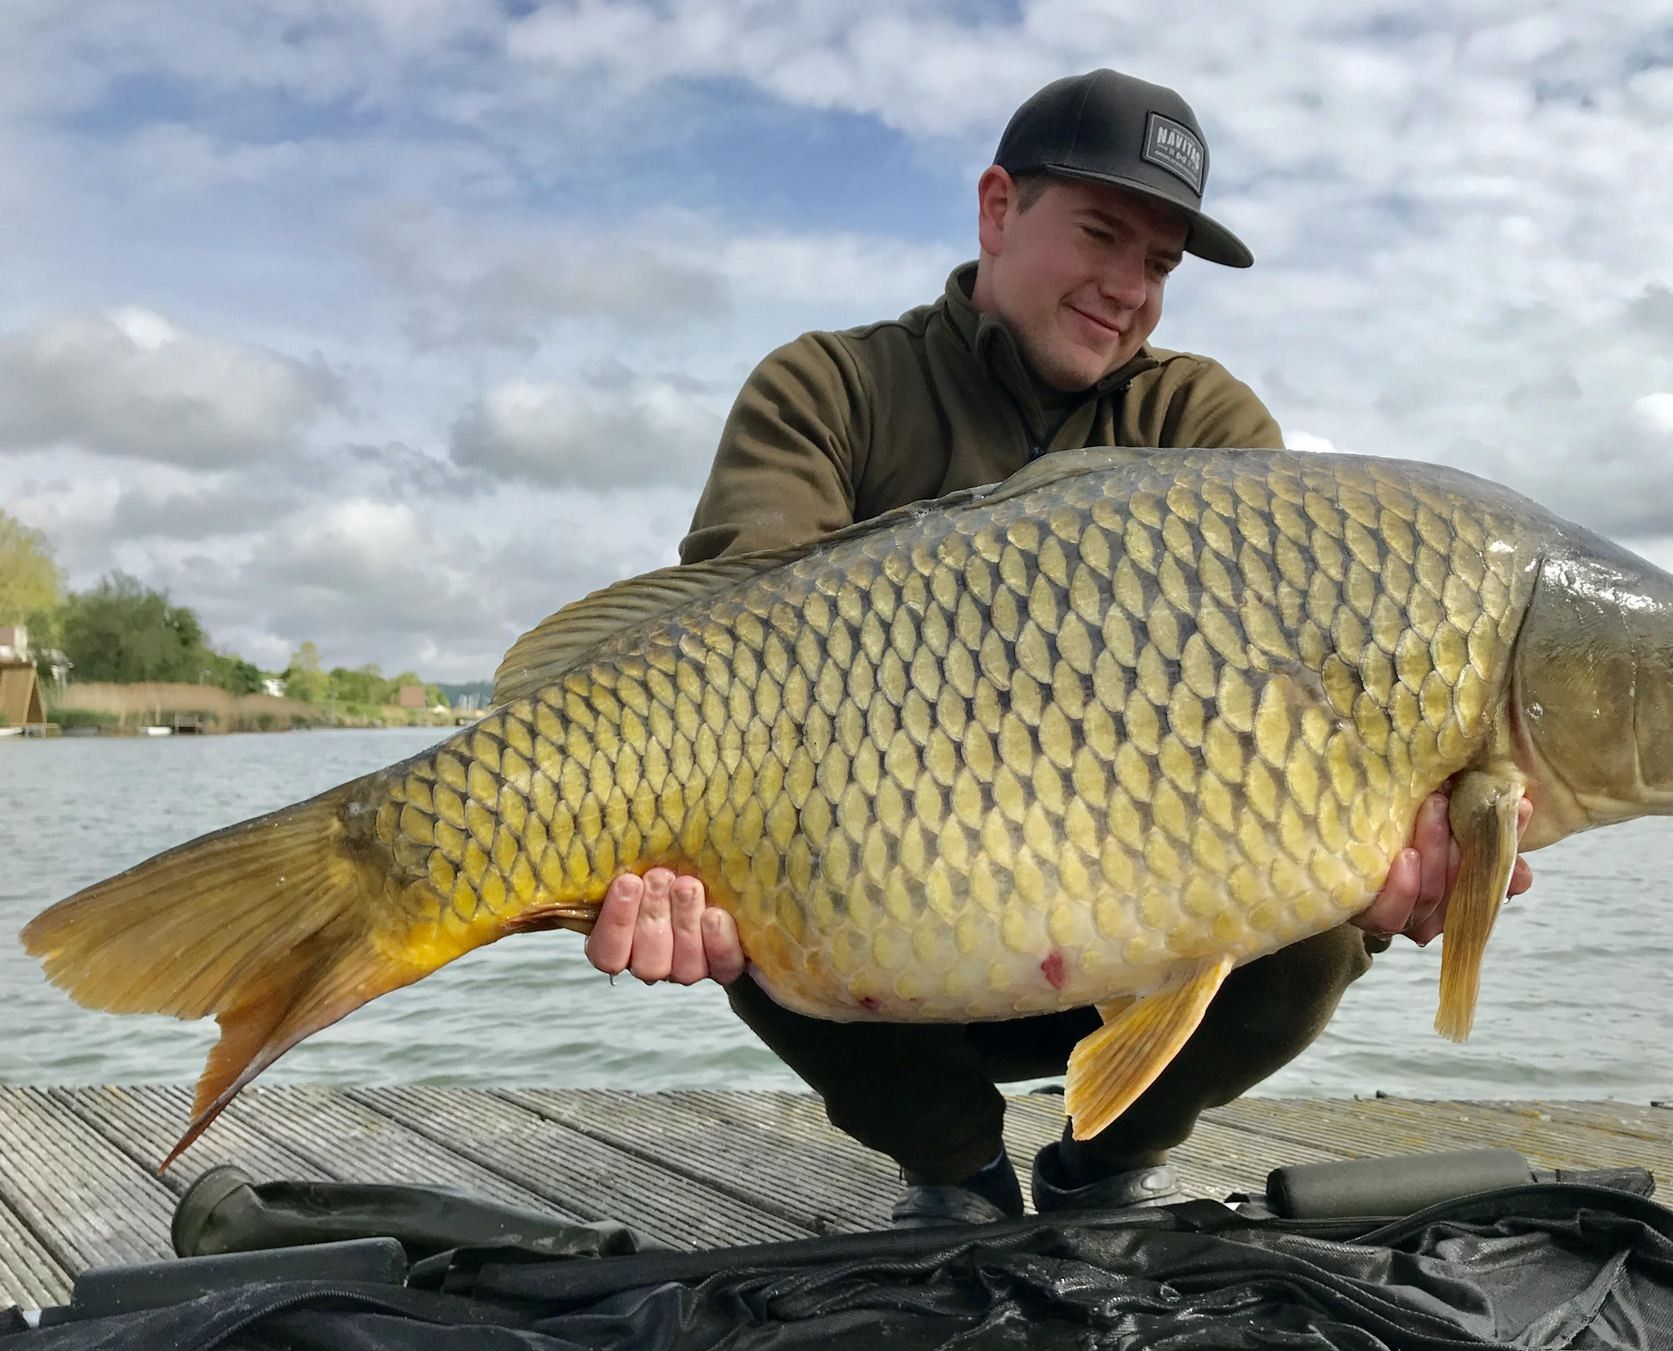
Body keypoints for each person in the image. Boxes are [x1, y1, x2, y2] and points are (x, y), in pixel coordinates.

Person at [583, 69, 1533, 1225]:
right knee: (750, 876)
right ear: (996, 209)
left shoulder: (1208, 429)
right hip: (885, 921)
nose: (1128, 287)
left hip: (1136, 924)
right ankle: (953, 1170)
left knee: (1321, 910)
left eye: (1162, 263)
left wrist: (1399, 844)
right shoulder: (828, 389)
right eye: (1101, 233)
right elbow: (728, 657)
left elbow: (1296, 725)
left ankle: (1108, 1161)